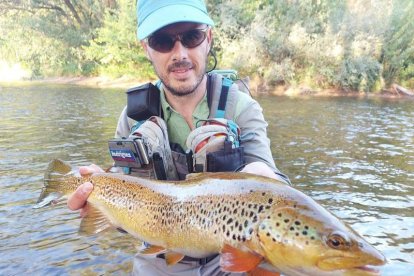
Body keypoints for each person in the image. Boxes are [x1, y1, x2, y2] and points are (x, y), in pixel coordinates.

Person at [68, 0, 290, 275]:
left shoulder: (242, 108)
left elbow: (271, 180)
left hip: (229, 255)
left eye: (191, 37)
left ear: (208, 38)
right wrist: (101, 200)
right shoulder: (133, 117)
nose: (180, 53)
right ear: (146, 48)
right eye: (162, 41)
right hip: (158, 259)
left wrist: (263, 176)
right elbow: (121, 184)